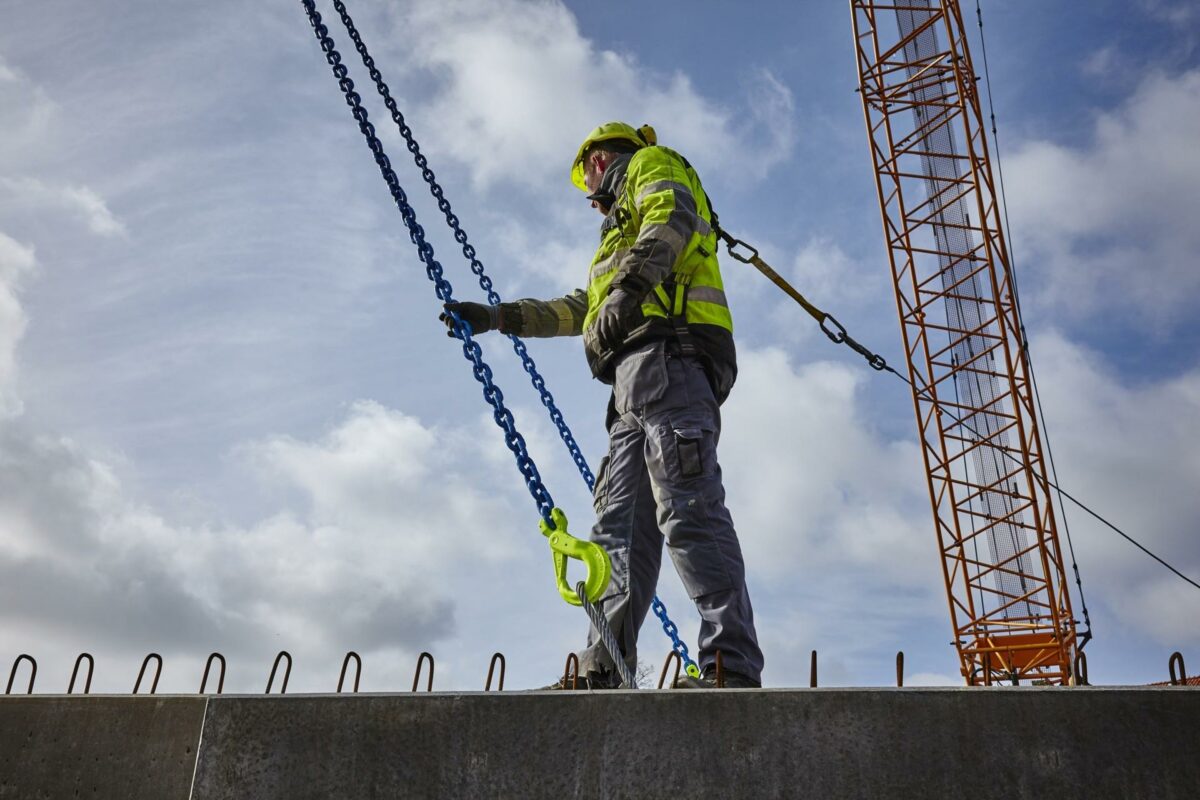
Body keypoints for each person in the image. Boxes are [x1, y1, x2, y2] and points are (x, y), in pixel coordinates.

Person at [442, 122, 763, 689]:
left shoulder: (651, 164)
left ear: (596, 161)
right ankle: (603, 671)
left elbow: (673, 216)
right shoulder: (617, 242)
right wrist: (495, 317)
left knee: (689, 508)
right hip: (633, 385)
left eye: (590, 192)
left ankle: (728, 668)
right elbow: (580, 309)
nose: (594, 207)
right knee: (617, 531)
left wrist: (629, 288)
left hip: (673, 357)